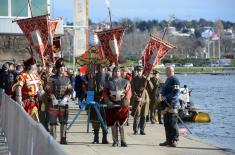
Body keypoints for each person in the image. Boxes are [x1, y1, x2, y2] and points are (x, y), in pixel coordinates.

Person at [46, 58, 72, 144]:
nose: (62, 69)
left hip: (63, 103)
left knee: (63, 121)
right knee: (53, 122)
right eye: (60, 67)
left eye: (63, 67)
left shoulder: (67, 79)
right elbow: (47, 89)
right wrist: (52, 98)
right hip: (54, 103)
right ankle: (53, 138)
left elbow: (70, 90)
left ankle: (63, 138)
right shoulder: (51, 78)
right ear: (57, 68)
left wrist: (66, 98)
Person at [103, 66, 131, 147]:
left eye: (118, 71)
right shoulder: (108, 82)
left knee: (121, 124)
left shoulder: (125, 82)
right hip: (112, 105)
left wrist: (126, 101)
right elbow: (105, 93)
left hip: (122, 106)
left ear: (120, 72)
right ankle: (115, 141)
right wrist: (108, 101)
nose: (117, 73)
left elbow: (128, 92)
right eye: (115, 71)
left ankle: (123, 141)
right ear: (113, 72)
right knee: (113, 125)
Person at [11, 57, 41, 122]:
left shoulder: (36, 76)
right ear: (30, 66)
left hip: (34, 102)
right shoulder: (22, 76)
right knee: (24, 121)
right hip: (25, 102)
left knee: (35, 121)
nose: (36, 67)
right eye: (34, 65)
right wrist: (19, 101)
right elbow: (18, 87)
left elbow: (39, 88)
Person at [159, 66, 180, 147]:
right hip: (165, 104)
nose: (166, 72)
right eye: (165, 71)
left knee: (173, 123)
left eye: (167, 71)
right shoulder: (167, 80)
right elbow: (163, 90)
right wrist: (161, 95)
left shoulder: (175, 80)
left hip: (172, 104)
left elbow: (176, 93)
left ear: (171, 71)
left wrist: (167, 97)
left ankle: (174, 140)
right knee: (166, 123)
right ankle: (168, 140)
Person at [90, 64, 109, 144]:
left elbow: (110, 87)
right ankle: (96, 138)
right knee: (95, 120)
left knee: (105, 120)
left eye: (103, 67)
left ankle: (104, 138)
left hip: (105, 101)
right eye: (101, 66)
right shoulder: (94, 76)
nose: (102, 68)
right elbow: (91, 88)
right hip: (96, 100)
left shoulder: (108, 77)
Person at [131, 65, 149, 135]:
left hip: (144, 98)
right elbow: (133, 90)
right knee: (137, 114)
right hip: (137, 99)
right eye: (137, 71)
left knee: (144, 115)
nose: (139, 72)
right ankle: (135, 130)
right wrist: (137, 97)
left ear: (142, 72)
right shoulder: (133, 79)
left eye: (140, 71)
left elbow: (150, 88)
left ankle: (142, 130)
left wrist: (149, 80)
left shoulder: (145, 79)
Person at [38, 61, 54, 131]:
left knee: (49, 113)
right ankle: (42, 127)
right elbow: (39, 84)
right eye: (48, 67)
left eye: (50, 67)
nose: (49, 69)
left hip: (50, 98)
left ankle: (46, 127)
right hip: (43, 97)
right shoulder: (42, 75)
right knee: (42, 113)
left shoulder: (53, 76)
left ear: (52, 68)